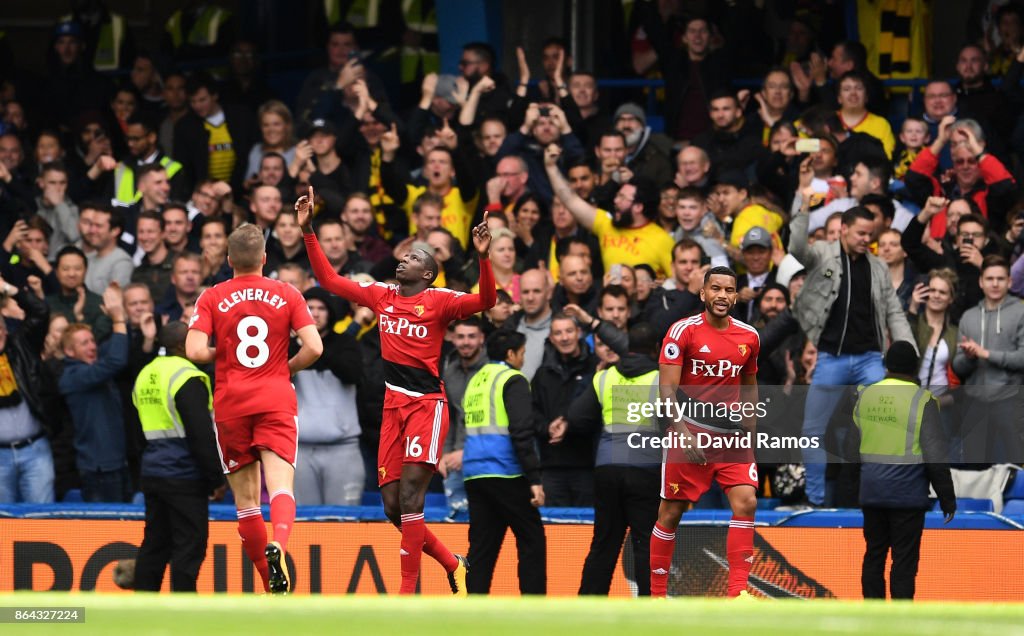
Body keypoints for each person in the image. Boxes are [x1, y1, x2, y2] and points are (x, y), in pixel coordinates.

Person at [299, 185, 495, 595]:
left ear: (426, 273)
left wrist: (482, 257)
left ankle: (406, 596)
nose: (403, 259)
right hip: (393, 406)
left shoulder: (441, 300)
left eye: (413, 258)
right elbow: (329, 279)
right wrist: (308, 231)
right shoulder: (381, 295)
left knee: (411, 497)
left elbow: (487, 299)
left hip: (426, 406)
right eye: (404, 255)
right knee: (391, 506)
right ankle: (453, 562)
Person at [185, 224, 323, 595]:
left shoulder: (212, 296)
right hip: (275, 398)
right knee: (280, 486)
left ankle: (268, 581)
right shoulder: (287, 293)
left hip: (231, 404)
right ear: (264, 258)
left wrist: (226, 353)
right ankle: (279, 541)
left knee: (246, 501)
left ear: (229, 260)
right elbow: (314, 347)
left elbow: (195, 351)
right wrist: (283, 366)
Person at [789, 196, 914, 507]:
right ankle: (816, 500)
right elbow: (796, 248)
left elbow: (894, 312)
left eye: (869, 234)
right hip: (831, 358)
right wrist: (803, 206)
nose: (866, 240)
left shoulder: (878, 267)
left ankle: (884, 495)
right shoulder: (822, 255)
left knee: (886, 425)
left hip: (870, 359)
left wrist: (907, 349)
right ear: (842, 230)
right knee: (811, 432)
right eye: (860, 233)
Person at [650, 266, 761, 599]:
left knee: (747, 502)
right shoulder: (682, 332)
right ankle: (656, 597)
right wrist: (682, 433)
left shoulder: (749, 336)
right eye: (716, 289)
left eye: (729, 290)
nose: (722, 296)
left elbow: (750, 385)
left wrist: (751, 431)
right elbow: (667, 391)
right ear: (703, 293)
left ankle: (738, 595)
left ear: (737, 295)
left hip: (730, 436)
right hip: (690, 429)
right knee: (671, 512)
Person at [563, 323, 662, 596]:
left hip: (607, 468)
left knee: (604, 542)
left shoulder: (604, 377)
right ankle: (649, 606)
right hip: (646, 469)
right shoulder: (662, 378)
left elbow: (577, 419)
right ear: (656, 349)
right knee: (645, 544)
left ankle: (589, 606)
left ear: (626, 347)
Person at [853, 341, 956, 600]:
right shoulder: (923, 400)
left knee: (874, 554)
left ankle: (871, 616)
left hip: (872, 490)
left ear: (886, 365)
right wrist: (947, 498)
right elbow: (935, 454)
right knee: (904, 560)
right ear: (914, 367)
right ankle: (900, 620)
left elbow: (846, 443)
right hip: (908, 494)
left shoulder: (865, 395)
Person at [132, 321, 225, 592]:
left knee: (155, 543)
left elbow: (137, 430)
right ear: (181, 345)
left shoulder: (146, 373)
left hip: (153, 470)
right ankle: (183, 606)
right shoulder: (187, 376)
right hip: (183, 473)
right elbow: (201, 434)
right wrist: (215, 479)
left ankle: (140, 605)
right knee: (189, 545)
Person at [462, 330, 546, 595]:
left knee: (482, 547)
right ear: (510, 354)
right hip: (506, 471)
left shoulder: (477, 380)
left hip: (474, 472)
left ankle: (472, 609)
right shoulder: (513, 379)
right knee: (531, 539)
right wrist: (534, 478)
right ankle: (534, 607)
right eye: (521, 353)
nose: (522, 359)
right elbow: (522, 431)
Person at [59, 284, 131, 502]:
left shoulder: (93, 366)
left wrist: (118, 312)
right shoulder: (73, 376)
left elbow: (113, 350)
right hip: (98, 469)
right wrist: (118, 320)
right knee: (107, 529)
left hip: (117, 463)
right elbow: (116, 359)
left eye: (92, 341)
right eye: (84, 343)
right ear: (69, 351)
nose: (92, 346)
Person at [292, 287, 363, 506]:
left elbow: (353, 374)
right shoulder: (287, 347)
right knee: (302, 523)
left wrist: (314, 347)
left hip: (343, 448)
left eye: (321, 308)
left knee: (343, 522)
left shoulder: (346, 344)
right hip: (300, 449)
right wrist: (298, 346)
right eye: (309, 308)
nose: (315, 313)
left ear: (330, 312)